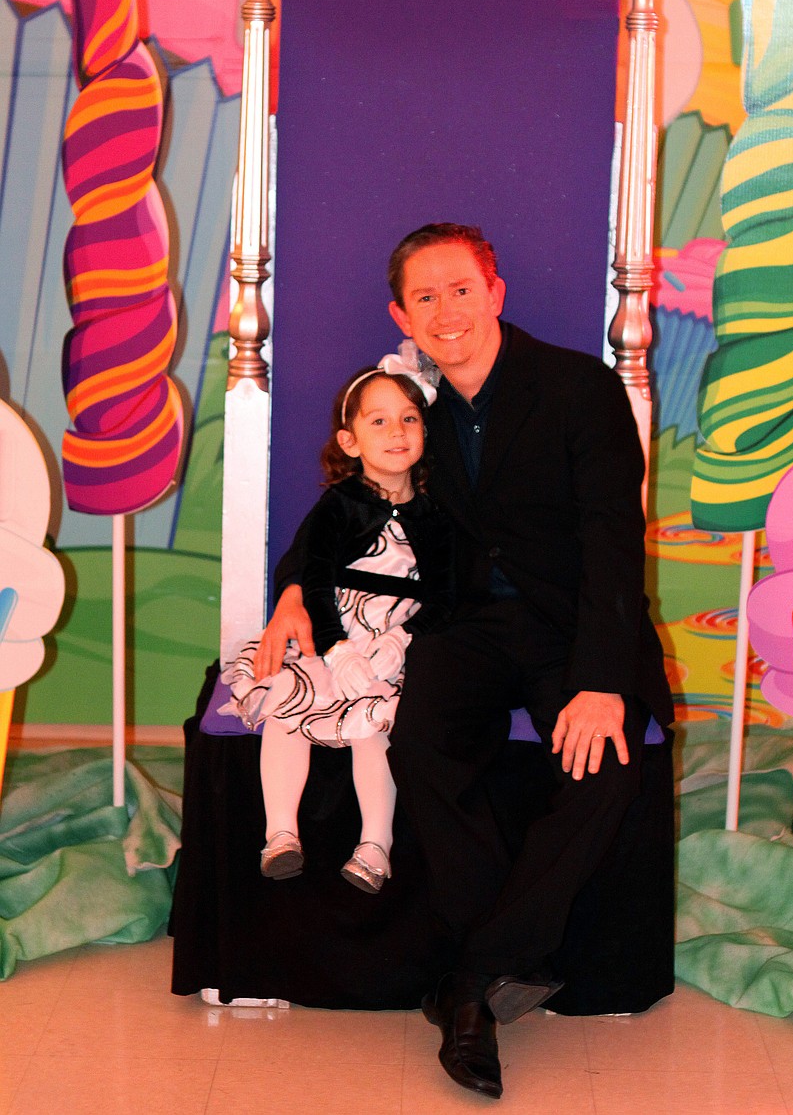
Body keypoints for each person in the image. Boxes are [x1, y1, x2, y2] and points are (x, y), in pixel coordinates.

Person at [257, 223, 673, 1099]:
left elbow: (612, 542)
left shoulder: (577, 387)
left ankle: (472, 979)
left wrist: (602, 680)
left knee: (607, 772)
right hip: (468, 627)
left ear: (496, 292)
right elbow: (349, 509)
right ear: (400, 312)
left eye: (460, 289)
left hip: (576, 628)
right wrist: (296, 589)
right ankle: (494, 967)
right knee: (419, 743)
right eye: (424, 297)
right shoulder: (416, 412)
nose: (445, 312)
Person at [221, 357, 453, 894]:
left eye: (409, 419)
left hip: (394, 642)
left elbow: (444, 594)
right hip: (330, 635)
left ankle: (376, 845)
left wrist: (403, 640)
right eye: (378, 422)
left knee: (375, 727)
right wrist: (337, 649)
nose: (396, 431)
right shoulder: (339, 506)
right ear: (349, 442)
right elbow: (315, 579)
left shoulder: (437, 517)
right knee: (284, 704)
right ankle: (280, 833)